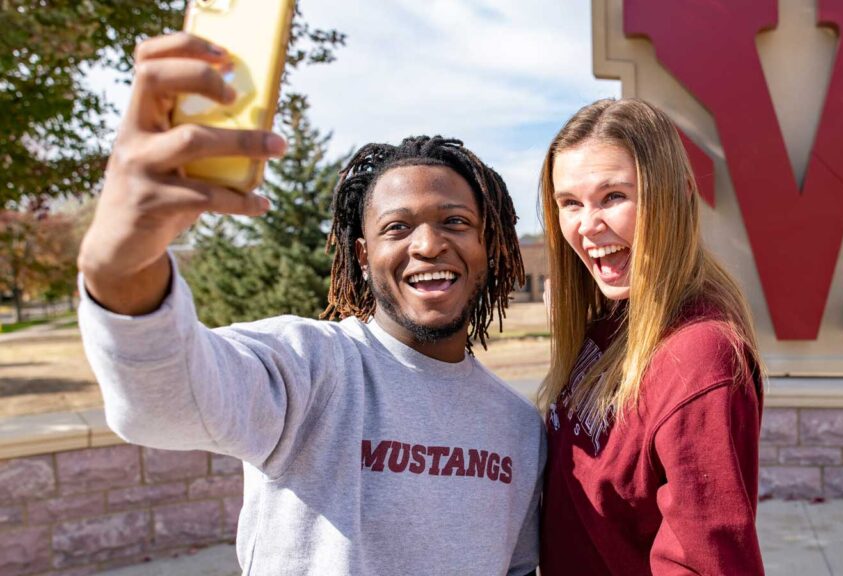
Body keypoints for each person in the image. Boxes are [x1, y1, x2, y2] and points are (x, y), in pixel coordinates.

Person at [76, 33, 544, 575]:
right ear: (364, 257)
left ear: (490, 247)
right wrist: (119, 265)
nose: (428, 244)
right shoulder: (307, 367)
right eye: (398, 227)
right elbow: (163, 406)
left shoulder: (518, 427)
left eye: (455, 222)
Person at [537, 98, 765, 575]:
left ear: (677, 195)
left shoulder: (700, 355)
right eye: (570, 203)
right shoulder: (609, 320)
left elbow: (708, 563)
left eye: (613, 197)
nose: (587, 225)